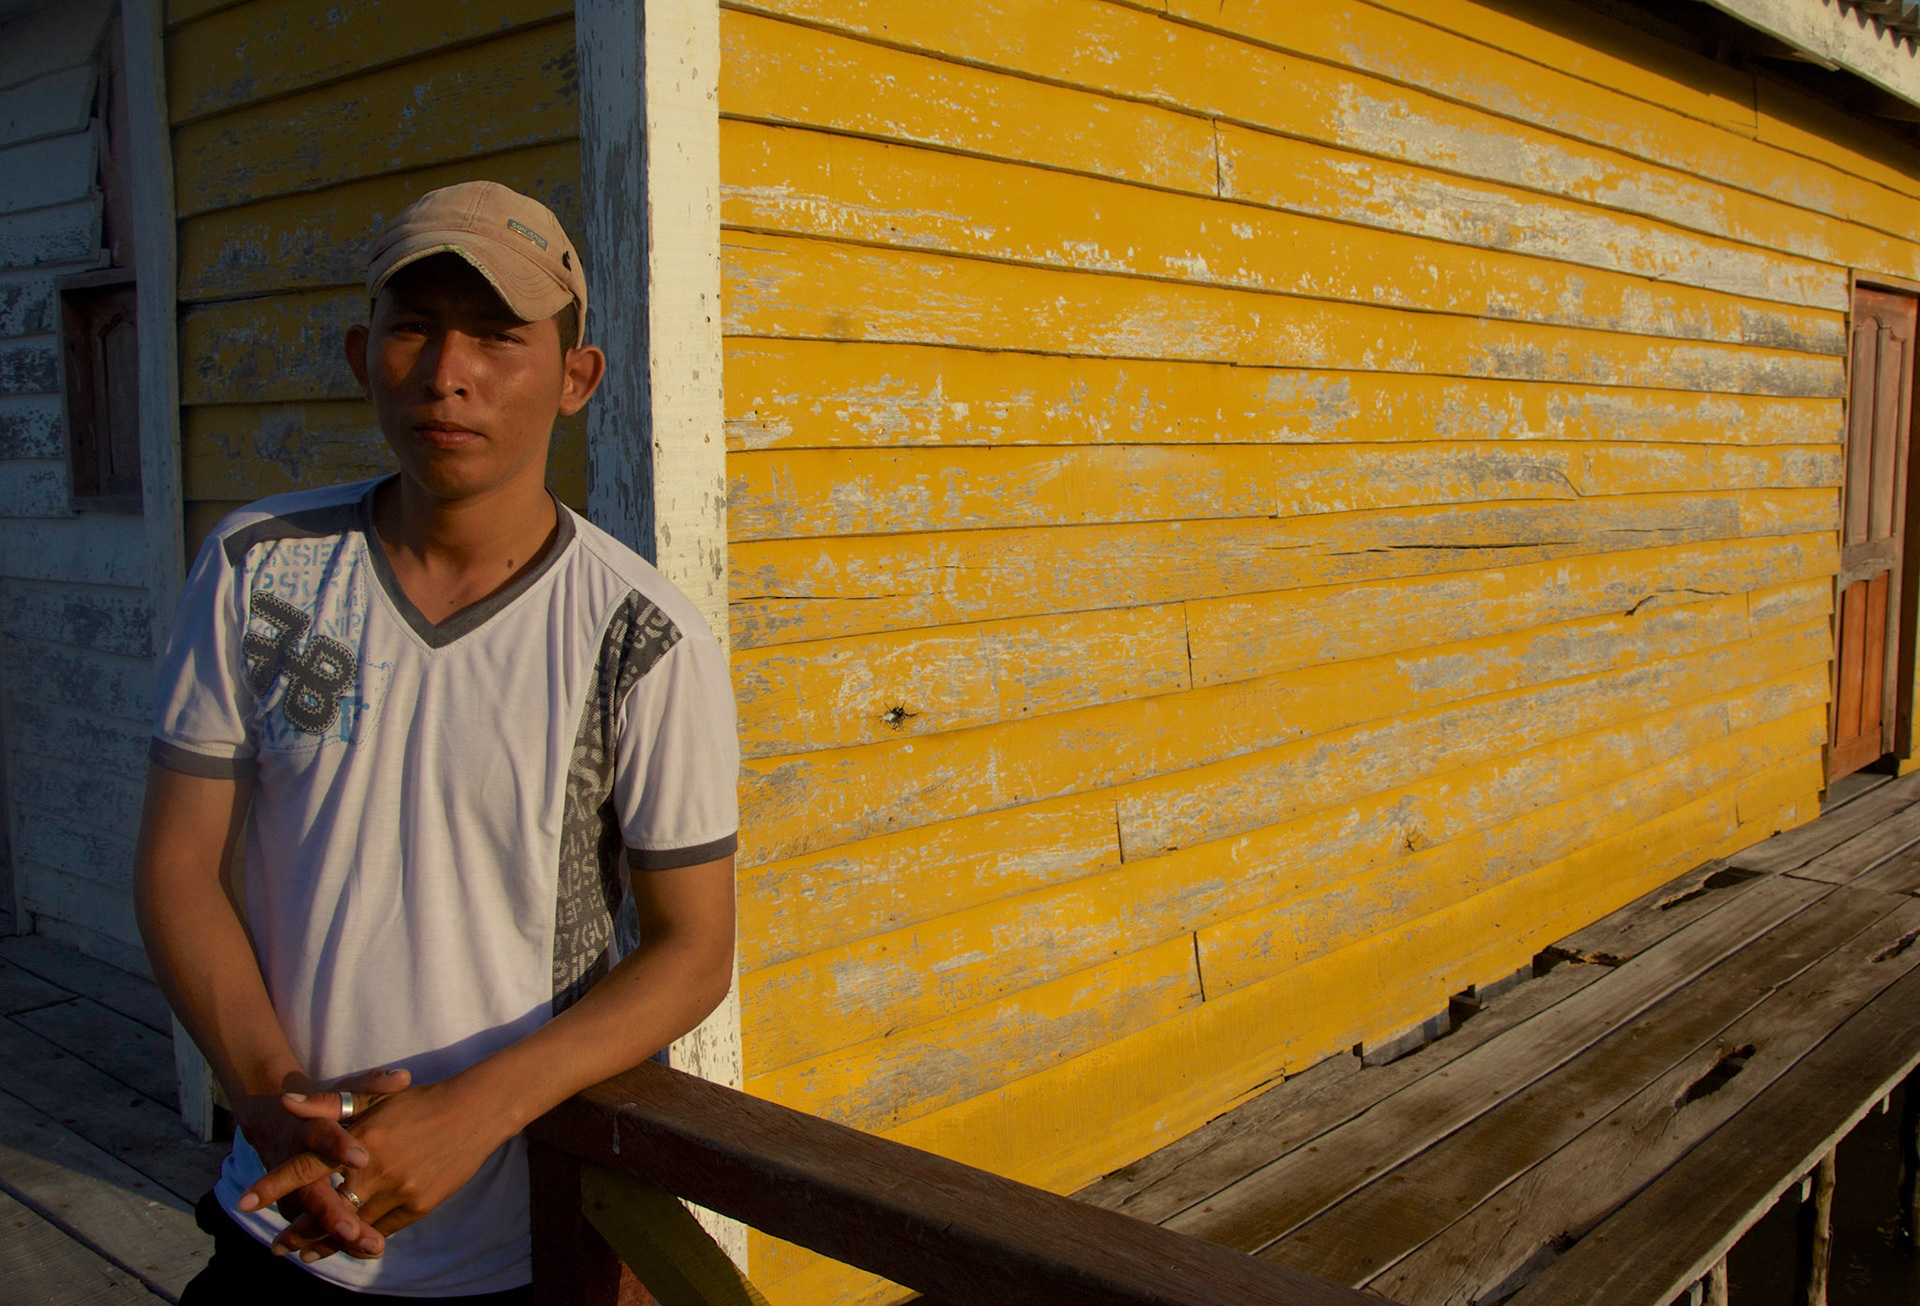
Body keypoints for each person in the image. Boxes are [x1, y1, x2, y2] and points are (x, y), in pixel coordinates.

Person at [133, 180, 740, 1302]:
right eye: (414, 327)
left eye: (500, 336)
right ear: (366, 354)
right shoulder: (257, 568)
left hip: (518, 1243)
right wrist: (271, 1100)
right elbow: (177, 868)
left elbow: (693, 947)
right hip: (276, 1214)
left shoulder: (643, 638)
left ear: (575, 378)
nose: (447, 371)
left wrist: (478, 1111)